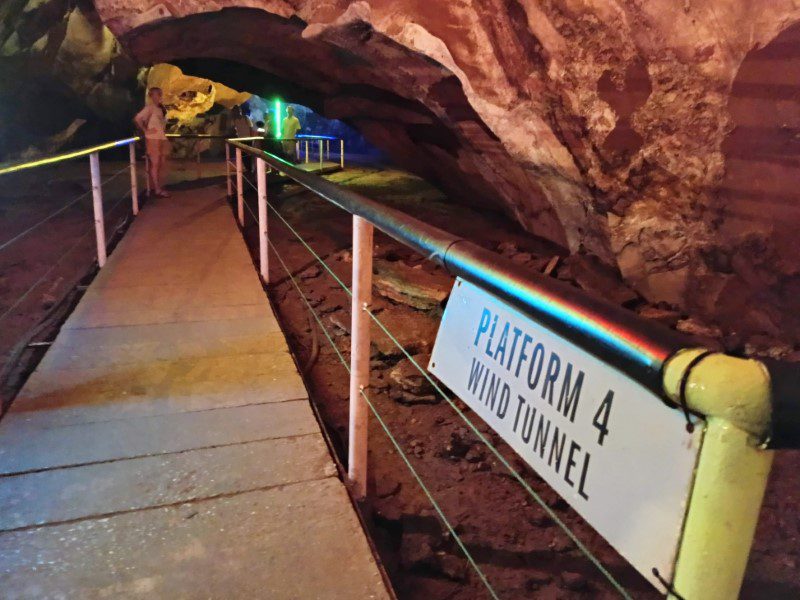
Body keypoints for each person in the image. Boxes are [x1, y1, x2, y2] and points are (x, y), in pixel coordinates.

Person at [134, 87, 170, 197]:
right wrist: (146, 130)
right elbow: (137, 118)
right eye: (154, 95)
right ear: (150, 96)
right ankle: (157, 189)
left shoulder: (160, 109)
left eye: (159, 94)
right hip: (153, 138)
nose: (157, 97)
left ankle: (157, 186)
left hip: (161, 137)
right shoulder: (149, 108)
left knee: (161, 162)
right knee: (155, 163)